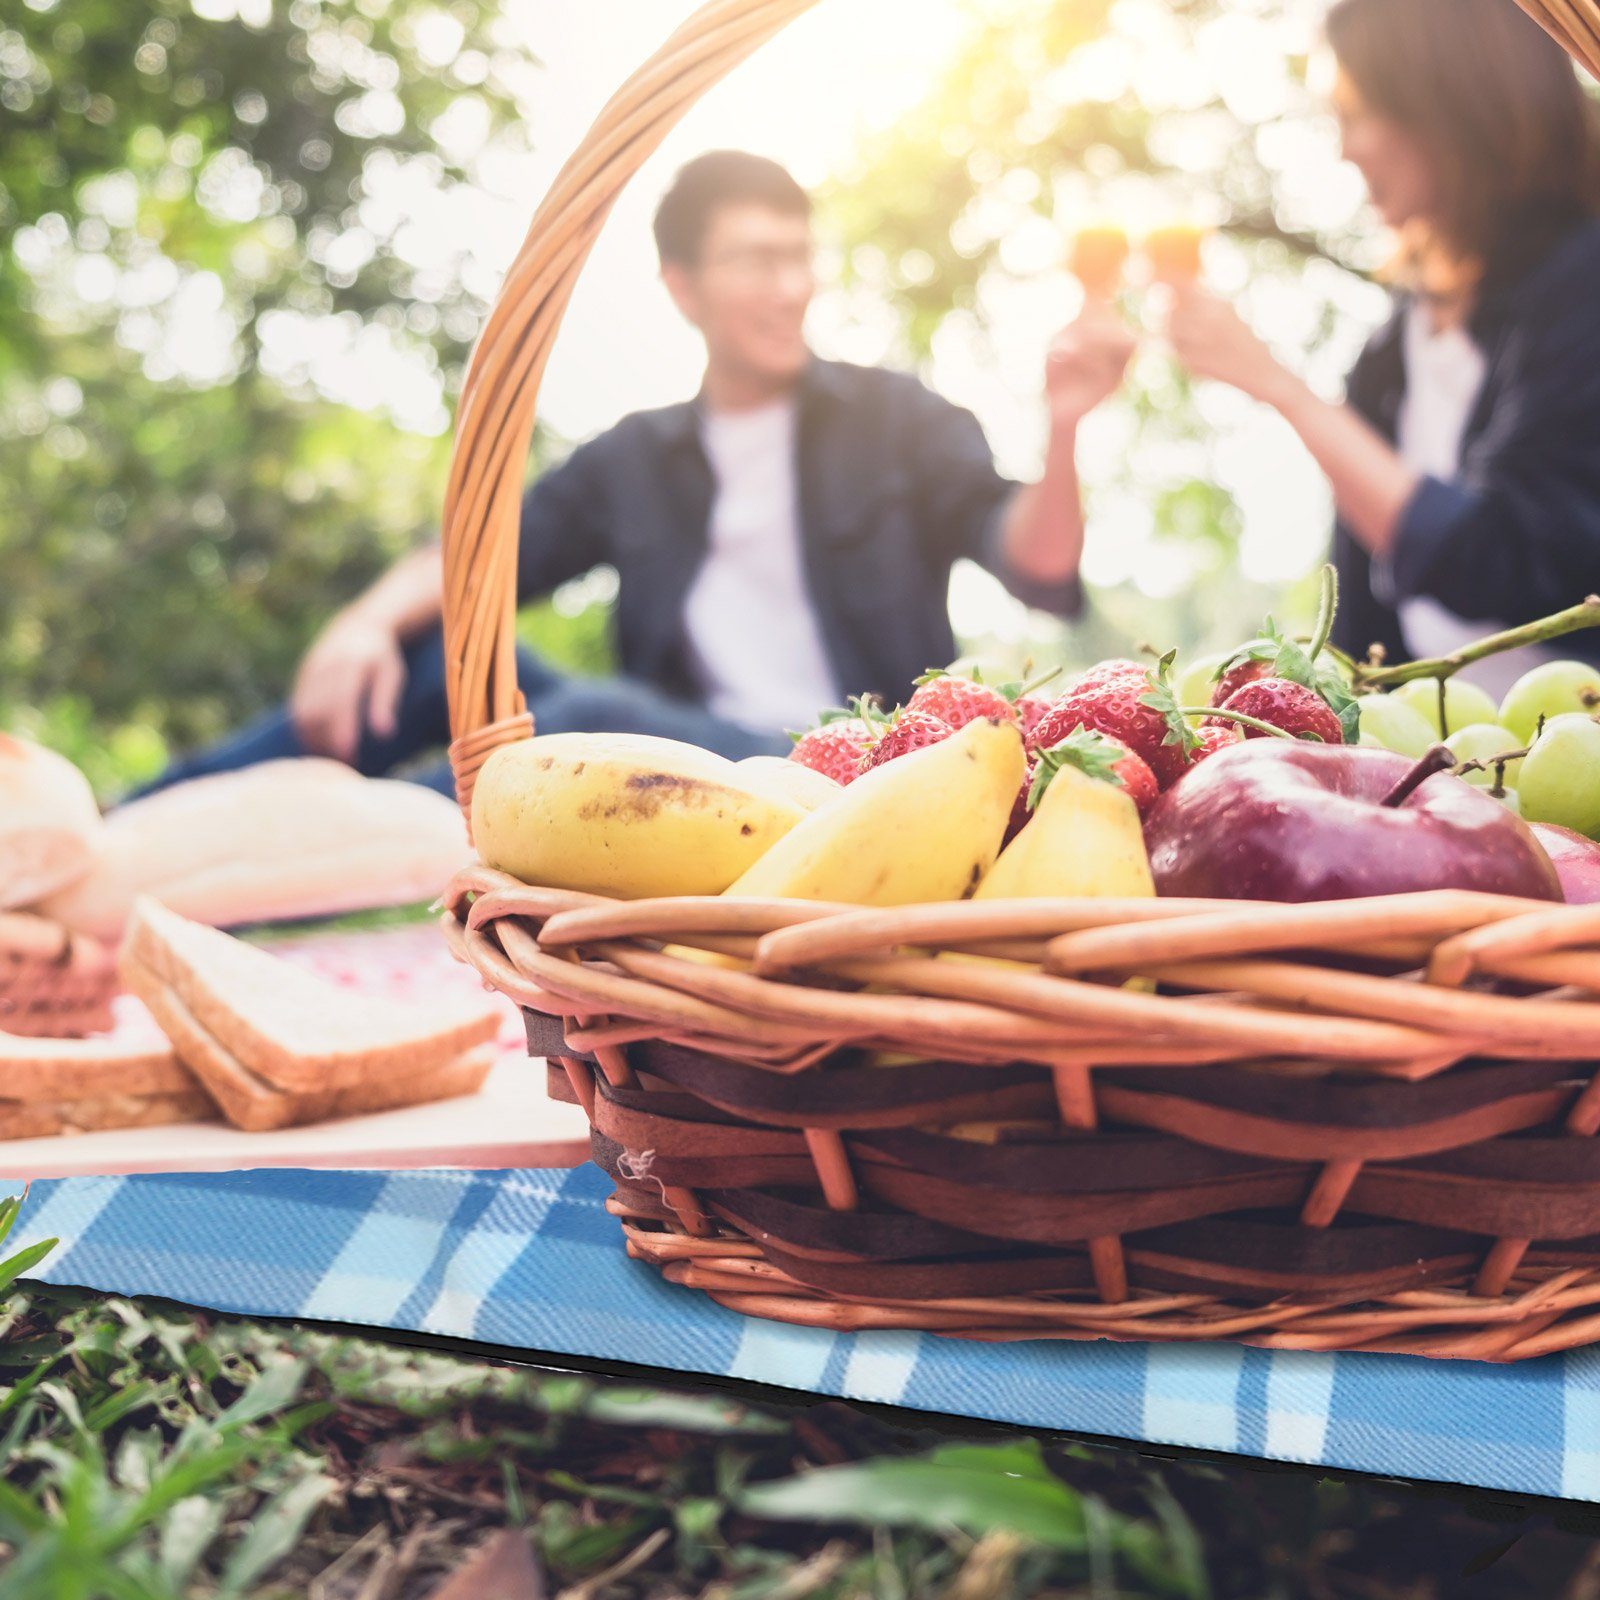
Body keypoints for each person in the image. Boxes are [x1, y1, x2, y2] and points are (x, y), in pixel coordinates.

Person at [142, 151, 1096, 800]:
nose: (790, 288)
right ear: (683, 288)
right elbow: (482, 559)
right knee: (439, 657)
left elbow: (1033, 563)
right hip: (673, 734)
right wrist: (359, 625)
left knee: (589, 723)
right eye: (757, 261)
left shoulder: (898, 420)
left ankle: (254, 871)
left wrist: (1063, 430)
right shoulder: (636, 458)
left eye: (799, 258)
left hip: (838, 765)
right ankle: (109, 828)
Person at [1155, 0, 1600, 692]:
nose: (1344, 147)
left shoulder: (1583, 285)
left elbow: (1513, 564)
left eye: (1358, 113)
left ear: (1449, 103)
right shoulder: (1394, 349)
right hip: (1438, 761)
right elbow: (1366, 626)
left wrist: (1281, 389)